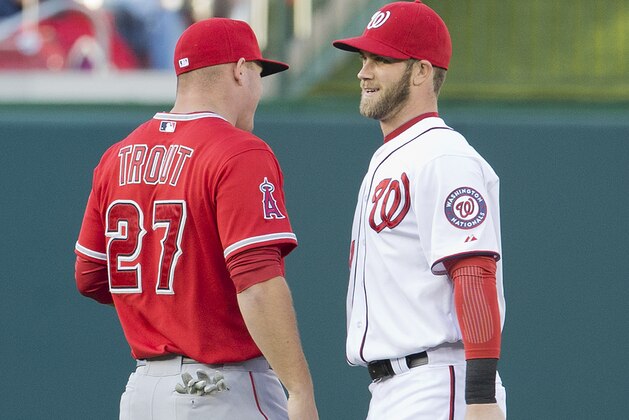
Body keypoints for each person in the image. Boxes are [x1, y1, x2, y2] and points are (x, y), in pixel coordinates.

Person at [74, 17, 318, 420]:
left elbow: (90, 277)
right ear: (240, 71)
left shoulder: (117, 156)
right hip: (221, 390)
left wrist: (167, 300)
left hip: (142, 393)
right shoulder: (239, 151)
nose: (258, 88)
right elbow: (257, 283)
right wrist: (300, 390)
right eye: (258, 74)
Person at [332, 1, 507, 419]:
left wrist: (480, 398)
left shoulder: (444, 156)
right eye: (364, 57)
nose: (364, 71)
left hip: (440, 383)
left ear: (422, 71)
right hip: (397, 389)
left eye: (382, 59)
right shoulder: (395, 154)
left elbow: (473, 271)